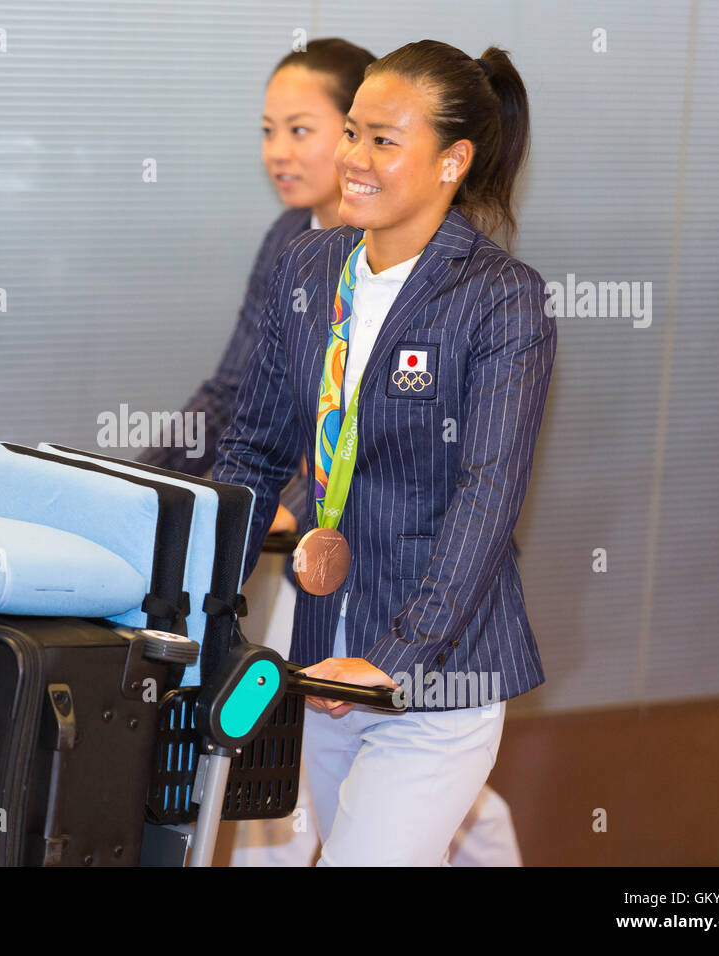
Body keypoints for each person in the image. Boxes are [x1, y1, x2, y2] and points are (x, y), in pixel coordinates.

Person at [145, 38, 528, 865]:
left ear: (451, 161)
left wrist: (394, 661)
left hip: (437, 673)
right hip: (323, 653)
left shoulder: (501, 298)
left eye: (383, 140)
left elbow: (488, 496)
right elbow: (252, 449)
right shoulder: (310, 265)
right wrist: (193, 608)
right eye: (352, 132)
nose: (353, 158)